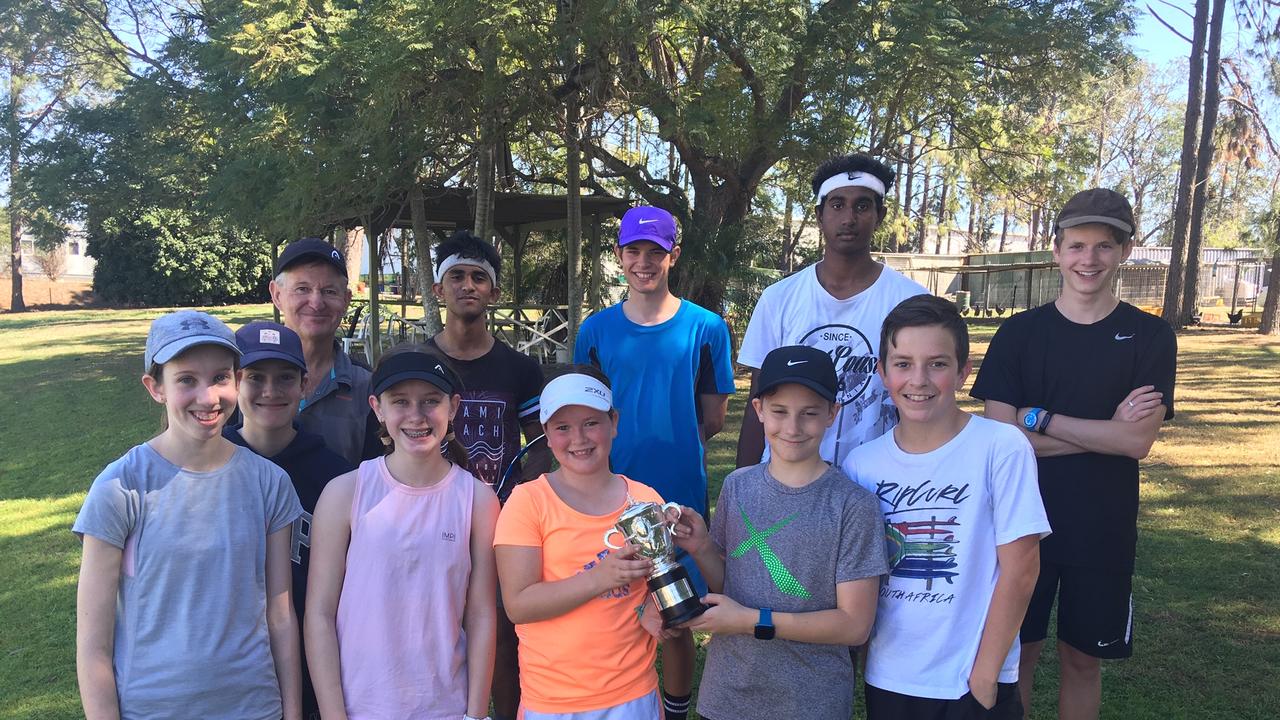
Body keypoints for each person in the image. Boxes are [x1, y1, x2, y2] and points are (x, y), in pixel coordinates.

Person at [970, 188, 1176, 720]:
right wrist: (1106, 431)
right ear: (1057, 249)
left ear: (1125, 252)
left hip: (1102, 525)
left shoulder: (1149, 336)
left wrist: (1039, 419)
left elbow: (1138, 442)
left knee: (1083, 660)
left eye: (1104, 246)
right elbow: (1000, 437)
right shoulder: (1019, 334)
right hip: (1019, 523)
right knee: (1022, 655)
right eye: (1078, 245)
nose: (1090, 259)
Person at [74, 310, 303, 720]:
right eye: (186, 380)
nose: (208, 397)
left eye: (220, 378)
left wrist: (292, 712)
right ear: (155, 387)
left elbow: (280, 614)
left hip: (253, 706)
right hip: (153, 708)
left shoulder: (270, 483)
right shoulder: (120, 487)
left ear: (235, 379)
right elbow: (94, 645)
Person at [843, 294, 1051, 719]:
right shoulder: (862, 463)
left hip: (971, 677)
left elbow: (1022, 569)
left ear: (962, 373)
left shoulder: (1001, 446)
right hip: (890, 675)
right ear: (882, 372)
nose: (918, 380)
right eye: (903, 364)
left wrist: (985, 675)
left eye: (937, 364)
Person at [663, 345, 886, 720]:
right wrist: (701, 547)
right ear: (759, 410)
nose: (793, 428)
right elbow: (729, 586)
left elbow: (854, 625)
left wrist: (753, 621)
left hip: (811, 701)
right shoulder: (737, 486)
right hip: (729, 692)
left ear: (833, 413)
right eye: (780, 412)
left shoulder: (853, 505)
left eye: (810, 414)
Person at [573, 206, 735, 720]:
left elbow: (712, 417)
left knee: (678, 615)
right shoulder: (595, 331)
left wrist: (670, 441)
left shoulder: (706, 328)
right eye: (633, 251)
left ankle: (677, 707)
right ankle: (614, 698)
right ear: (619, 256)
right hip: (608, 490)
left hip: (676, 491)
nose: (644, 262)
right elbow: (585, 412)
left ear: (673, 256)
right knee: (615, 599)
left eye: (655, 252)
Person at [305, 347, 499, 720]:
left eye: (431, 401)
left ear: (453, 407)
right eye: (400, 402)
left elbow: (481, 615)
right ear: (377, 407)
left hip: (445, 706)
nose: (416, 416)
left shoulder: (477, 498)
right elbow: (319, 613)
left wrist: (475, 714)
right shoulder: (345, 492)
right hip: (360, 706)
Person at [494, 368, 668, 719]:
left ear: (613, 422)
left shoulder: (644, 499)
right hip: (554, 701)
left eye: (591, 422)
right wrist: (599, 578)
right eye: (562, 427)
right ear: (545, 433)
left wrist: (657, 606)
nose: (579, 438)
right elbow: (519, 605)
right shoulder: (528, 502)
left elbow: (659, 580)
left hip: (632, 692)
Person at [736, 153, 927, 469]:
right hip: (789, 484)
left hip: (879, 483)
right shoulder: (779, 299)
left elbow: (923, 405)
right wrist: (742, 485)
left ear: (880, 214)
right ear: (819, 214)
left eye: (862, 206)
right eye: (837, 205)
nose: (849, 218)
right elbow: (758, 400)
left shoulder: (910, 301)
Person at [425, 230, 547, 720]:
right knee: (434, 626)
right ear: (438, 290)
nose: (468, 286)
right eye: (456, 276)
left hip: (501, 523)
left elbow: (538, 445)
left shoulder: (518, 368)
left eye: (480, 277)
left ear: (494, 293)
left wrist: (520, 505)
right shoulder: (418, 362)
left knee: (500, 635)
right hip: (430, 518)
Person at [224, 320, 355, 720]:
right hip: (227, 669)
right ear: (233, 383)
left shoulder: (335, 475)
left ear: (304, 385)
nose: (270, 391)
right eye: (255, 378)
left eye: (284, 378)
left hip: (312, 670)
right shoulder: (209, 466)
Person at [269, 237, 381, 466]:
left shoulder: (366, 386)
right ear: (277, 295)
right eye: (302, 289)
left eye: (329, 291)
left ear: (346, 299)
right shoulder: (242, 377)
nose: (316, 302)